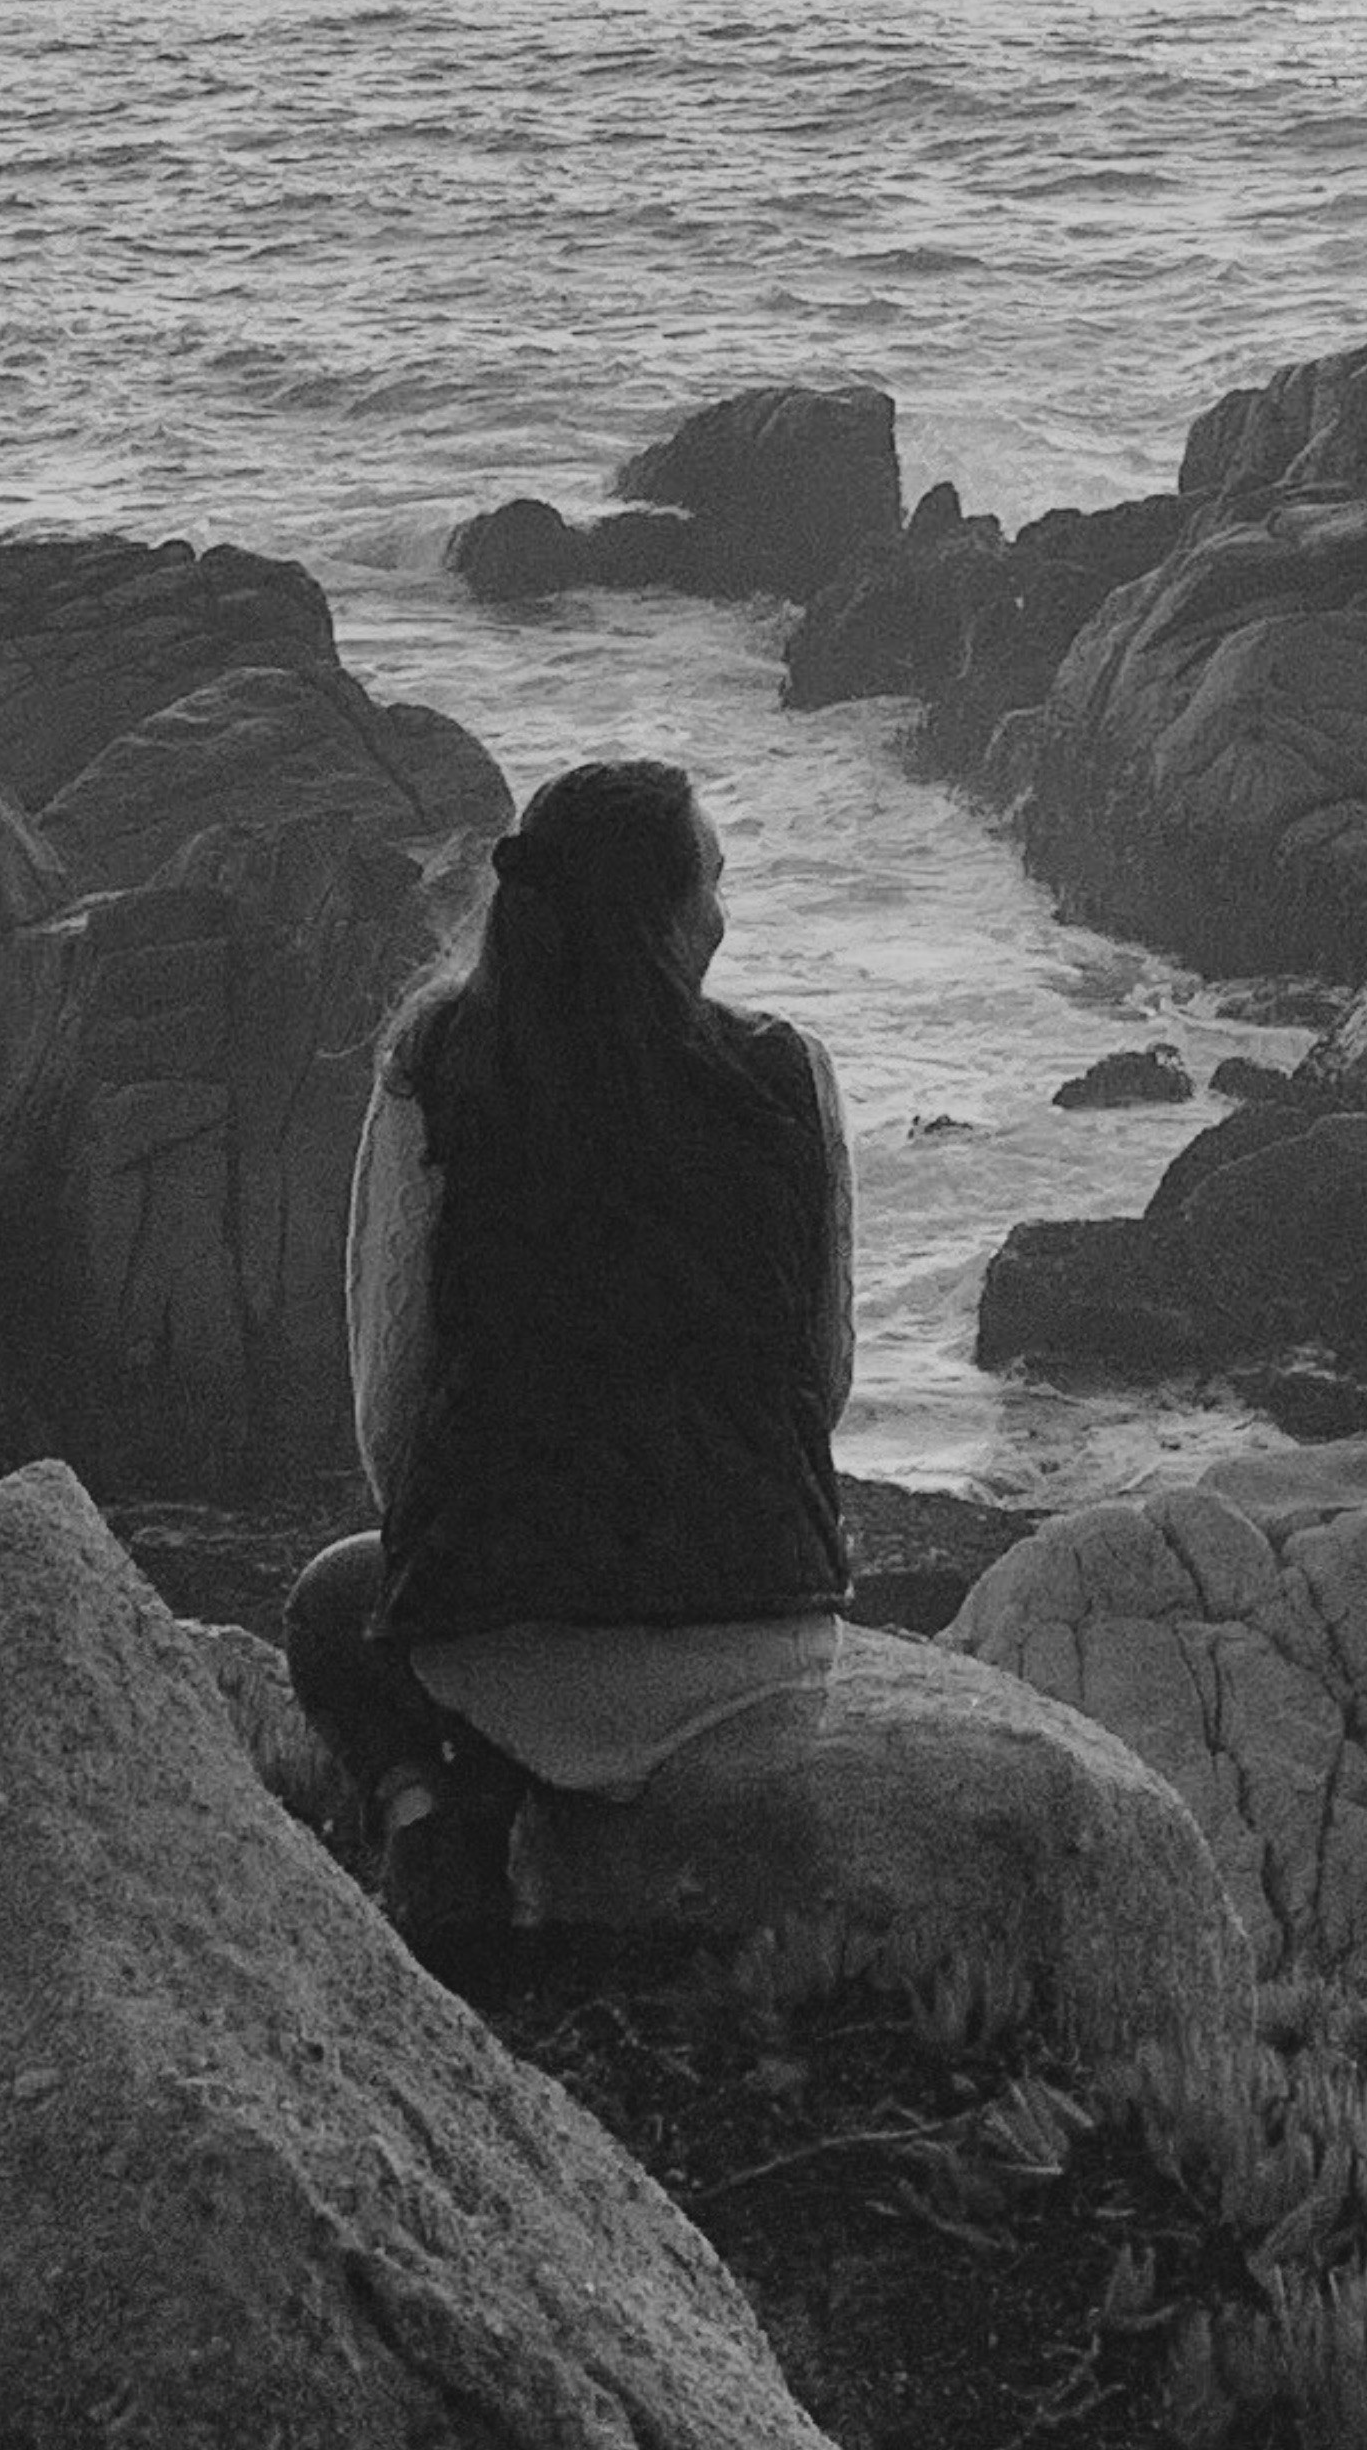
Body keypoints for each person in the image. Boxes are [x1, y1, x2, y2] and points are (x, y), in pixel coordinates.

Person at [282, 755, 855, 1971]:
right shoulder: (789, 1077)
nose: (724, 914)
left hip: (503, 1645)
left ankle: (434, 1815)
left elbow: (392, 1412)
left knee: (334, 1604)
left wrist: (462, 1569)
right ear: (658, 916)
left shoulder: (436, 1070)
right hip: (757, 1641)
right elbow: (828, 1374)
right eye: (711, 885)